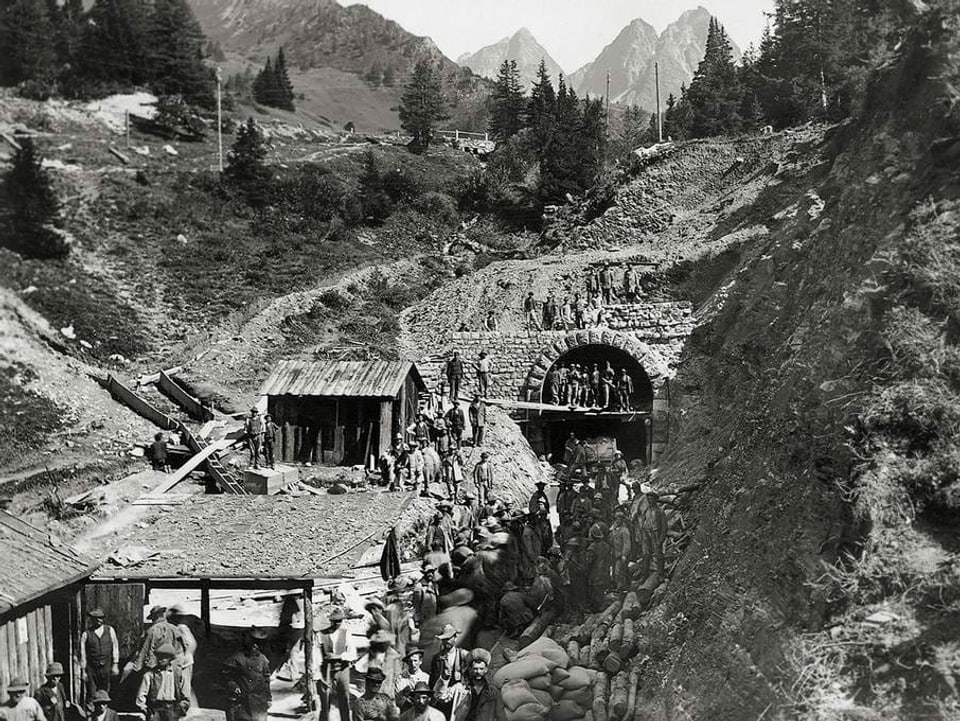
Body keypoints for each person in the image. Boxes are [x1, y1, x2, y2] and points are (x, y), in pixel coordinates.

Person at [223, 629, 271, 721]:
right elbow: (226, 676)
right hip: (242, 702)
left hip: (259, 701)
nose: (255, 646)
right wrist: (233, 686)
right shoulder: (237, 659)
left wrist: (268, 698)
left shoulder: (262, 659)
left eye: (258, 643)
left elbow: (266, 679)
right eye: (252, 642)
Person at [136, 644, 188, 721]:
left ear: (170, 658)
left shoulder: (178, 674)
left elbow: (185, 695)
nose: (161, 659)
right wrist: (145, 709)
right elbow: (141, 694)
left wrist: (179, 710)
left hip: (172, 709)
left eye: (164, 657)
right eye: (159, 656)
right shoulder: (150, 674)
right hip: (155, 709)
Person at [80, 607, 119, 699]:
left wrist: (115, 664)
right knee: (92, 691)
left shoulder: (110, 630)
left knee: (106, 689)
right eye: (96, 618)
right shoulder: (86, 634)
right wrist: (83, 670)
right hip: (92, 667)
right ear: (92, 619)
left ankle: (105, 709)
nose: (98, 620)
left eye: (100, 618)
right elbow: (82, 653)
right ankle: (92, 710)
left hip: (106, 666)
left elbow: (115, 647)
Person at [134, 606, 181, 674]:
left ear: (155, 617)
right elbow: (180, 649)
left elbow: (145, 649)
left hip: (155, 668)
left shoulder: (153, 630)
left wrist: (137, 668)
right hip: (172, 667)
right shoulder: (175, 629)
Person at [461, 649, 503, 721]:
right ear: (470, 669)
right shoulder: (461, 689)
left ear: (486, 670)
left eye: (481, 669)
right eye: (475, 669)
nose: (478, 672)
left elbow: (499, 713)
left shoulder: (492, 691)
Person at [167, 607, 197, 700]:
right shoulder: (179, 628)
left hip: (184, 661)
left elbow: (190, 643)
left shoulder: (181, 628)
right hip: (185, 659)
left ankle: (187, 705)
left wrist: (184, 655)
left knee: (184, 685)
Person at [609, 506, 634, 590]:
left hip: (621, 554)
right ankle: (617, 586)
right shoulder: (613, 529)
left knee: (619, 572)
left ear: (622, 520)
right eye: (616, 519)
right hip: (614, 553)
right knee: (615, 571)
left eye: (620, 519)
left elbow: (627, 544)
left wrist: (624, 554)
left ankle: (621, 588)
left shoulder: (625, 530)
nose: (618, 520)